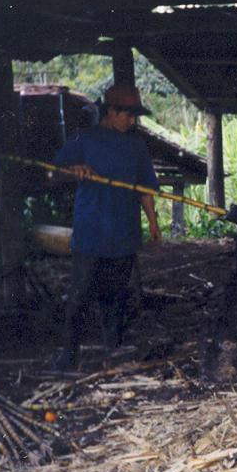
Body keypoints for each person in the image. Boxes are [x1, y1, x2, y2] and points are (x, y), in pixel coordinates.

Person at [51, 85, 161, 371]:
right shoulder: (84, 140)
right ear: (111, 112)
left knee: (116, 295)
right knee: (79, 294)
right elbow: (53, 171)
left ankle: (113, 352)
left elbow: (145, 188)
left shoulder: (137, 146)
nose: (133, 122)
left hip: (124, 232)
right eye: (128, 115)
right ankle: (68, 354)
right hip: (90, 232)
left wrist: (152, 221)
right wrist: (74, 170)